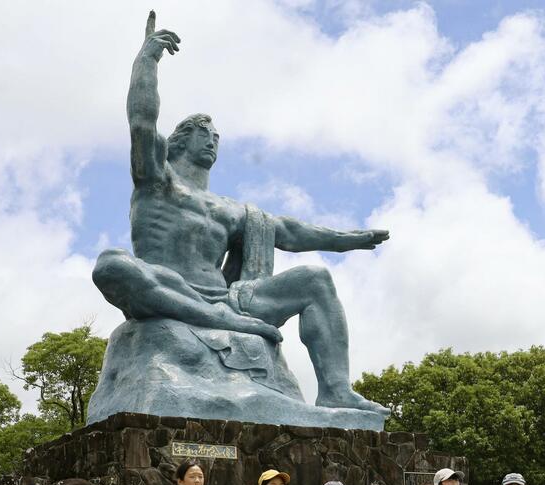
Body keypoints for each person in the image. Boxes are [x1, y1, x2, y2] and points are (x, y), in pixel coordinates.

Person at [92, 16, 390, 416]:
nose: (214, 140)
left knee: (314, 280)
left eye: (218, 137)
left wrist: (347, 239)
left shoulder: (231, 210)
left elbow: (288, 232)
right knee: (111, 264)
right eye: (205, 133)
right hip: (166, 289)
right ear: (181, 139)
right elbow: (142, 122)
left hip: (230, 301)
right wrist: (146, 60)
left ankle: (336, 390)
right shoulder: (156, 180)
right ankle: (213, 318)